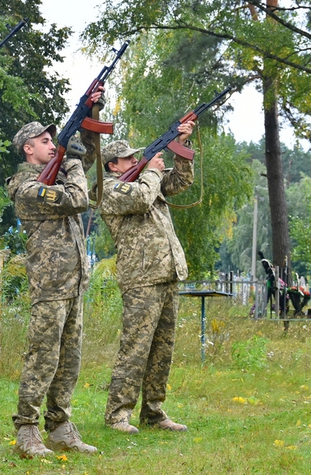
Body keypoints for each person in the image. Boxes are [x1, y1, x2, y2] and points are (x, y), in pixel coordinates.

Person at [4, 114, 101, 458]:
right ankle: (27, 429)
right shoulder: (28, 187)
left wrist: (93, 113)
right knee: (42, 358)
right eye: (45, 141)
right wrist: (73, 163)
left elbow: (90, 152)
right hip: (49, 286)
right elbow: (78, 199)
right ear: (28, 149)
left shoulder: (57, 178)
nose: (52, 144)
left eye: (52, 140)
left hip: (73, 283)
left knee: (69, 360)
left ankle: (60, 427)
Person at [96, 121, 194, 435]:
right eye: (129, 159)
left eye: (137, 157)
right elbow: (140, 198)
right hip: (141, 277)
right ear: (113, 166)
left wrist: (182, 147)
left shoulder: (146, 180)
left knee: (162, 349)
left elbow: (180, 182)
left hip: (166, 273)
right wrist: (151, 169)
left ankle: (153, 412)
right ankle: (117, 414)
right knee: (135, 348)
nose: (136, 161)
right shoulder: (111, 188)